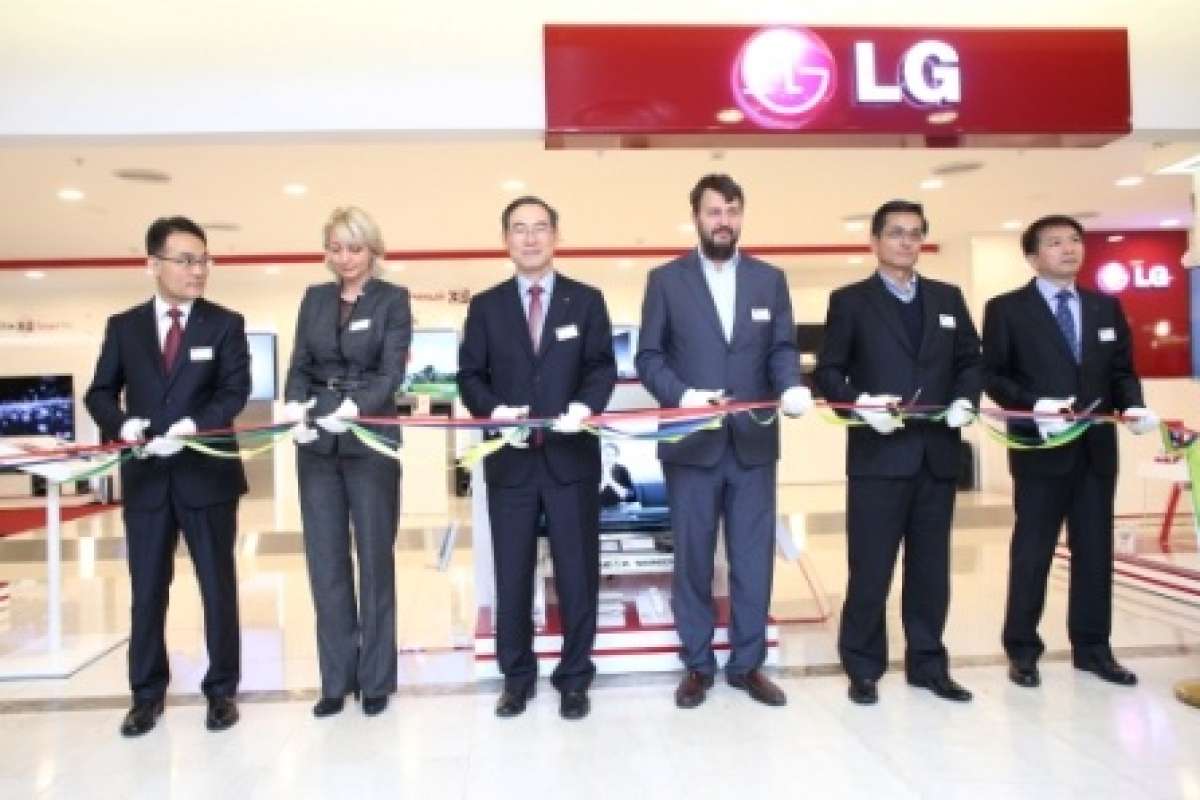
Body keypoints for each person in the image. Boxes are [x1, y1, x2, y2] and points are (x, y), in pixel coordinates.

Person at [636, 174, 813, 710]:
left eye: (732, 211)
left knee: (753, 560)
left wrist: (791, 385)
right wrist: (683, 395)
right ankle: (696, 664)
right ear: (696, 217)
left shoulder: (769, 280)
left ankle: (747, 665)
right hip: (691, 444)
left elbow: (781, 348)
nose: (724, 221)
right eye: (714, 211)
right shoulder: (665, 280)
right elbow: (649, 357)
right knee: (692, 558)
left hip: (754, 444)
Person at [85, 216, 251, 736]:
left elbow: (234, 391)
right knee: (147, 589)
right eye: (185, 260)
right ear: (153, 264)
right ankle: (145, 694)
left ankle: (221, 691)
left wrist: (193, 426)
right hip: (148, 480)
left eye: (203, 260)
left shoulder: (225, 323)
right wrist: (123, 425)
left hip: (208, 474)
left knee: (217, 587)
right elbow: (99, 392)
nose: (198, 270)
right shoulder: (124, 327)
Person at [815, 199, 981, 706]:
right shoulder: (850, 301)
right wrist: (860, 405)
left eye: (914, 233)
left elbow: (971, 361)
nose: (906, 241)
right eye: (895, 233)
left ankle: (928, 664)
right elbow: (828, 372)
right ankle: (863, 667)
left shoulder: (948, 298)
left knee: (930, 569)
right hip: (878, 456)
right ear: (875, 241)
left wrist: (965, 400)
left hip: (936, 454)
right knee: (871, 569)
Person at [982, 214, 1159, 689]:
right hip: (1040, 450)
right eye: (1055, 242)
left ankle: (1093, 649)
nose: (1069, 249)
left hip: (1096, 452)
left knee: (1095, 552)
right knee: (1033, 552)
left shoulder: (1105, 307)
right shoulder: (1007, 309)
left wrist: (1134, 405)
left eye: (1075, 240)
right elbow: (992, 375)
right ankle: (1022, 650)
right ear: (1032, 256)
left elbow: (1121, 371)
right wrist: (1033, 405)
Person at [458, 196, 616, 720]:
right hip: (512, 463)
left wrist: (585, 407)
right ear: (506, 240)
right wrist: (494, 411)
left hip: (572, 460)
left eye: (540, 227)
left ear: (556, 236)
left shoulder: (585, 301)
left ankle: (574, 678)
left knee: (577, 574)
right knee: (511, 573)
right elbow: (469, 376)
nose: (530, 238)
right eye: (519, 229)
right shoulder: (486, 306)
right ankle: (517, 677)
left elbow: (601, 367)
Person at [282, 206, 412, 718]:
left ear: (372, 250)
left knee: (375, 561)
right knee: (326, 562)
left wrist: (357, 408)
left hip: (369, 437)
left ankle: (376, 679)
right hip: (317, 442)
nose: (345, 258)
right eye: (335, 248)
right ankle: (336, 679)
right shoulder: (314, 299)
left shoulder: (392, 299)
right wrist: (295, 405)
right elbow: (299, 364)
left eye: (354, 248)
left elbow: (390, 371)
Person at [599, 441, 635, 506]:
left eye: (613, 455)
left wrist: (610, 481)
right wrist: (604, 482)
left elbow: (628, 495)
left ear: (616, 457)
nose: (609, 458)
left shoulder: (622, 470)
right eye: (607, 454)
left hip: (619, 505)